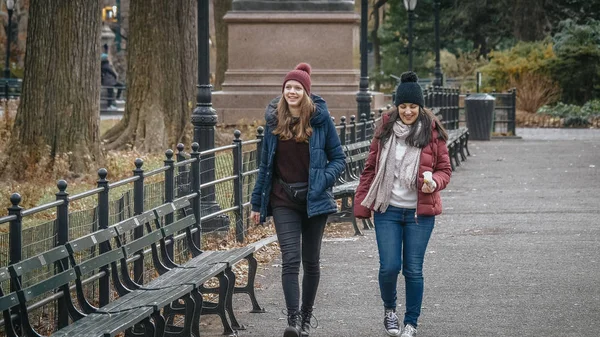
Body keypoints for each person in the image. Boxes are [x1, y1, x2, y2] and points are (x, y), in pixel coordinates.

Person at [250, 63, 345, 337]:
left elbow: (338, 159)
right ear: (283, 91)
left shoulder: (320, 120)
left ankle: (305, 318)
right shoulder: (273, 121)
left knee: (311, 261)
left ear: (306, 92)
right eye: (288, 87)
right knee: (290, 259)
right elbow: (265, 166)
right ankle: (292, 321)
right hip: (283, 199)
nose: (292, 92)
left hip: (314, 200)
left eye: (297, 88)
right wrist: (257, 203)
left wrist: (322, 180)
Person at [354, 71, 452, 337]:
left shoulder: (432, 132)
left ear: (420, 107)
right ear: (396, 106)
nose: (408, 111)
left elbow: (445, 169)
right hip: (388, 209)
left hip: (420, 214)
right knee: (389, 267)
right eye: (403, 105)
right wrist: (361, 205)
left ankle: (411, 322)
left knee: (412, 269)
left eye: (412, 106)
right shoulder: (385, 130)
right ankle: (390, 312)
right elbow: (370, 169)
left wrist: (435, 183)